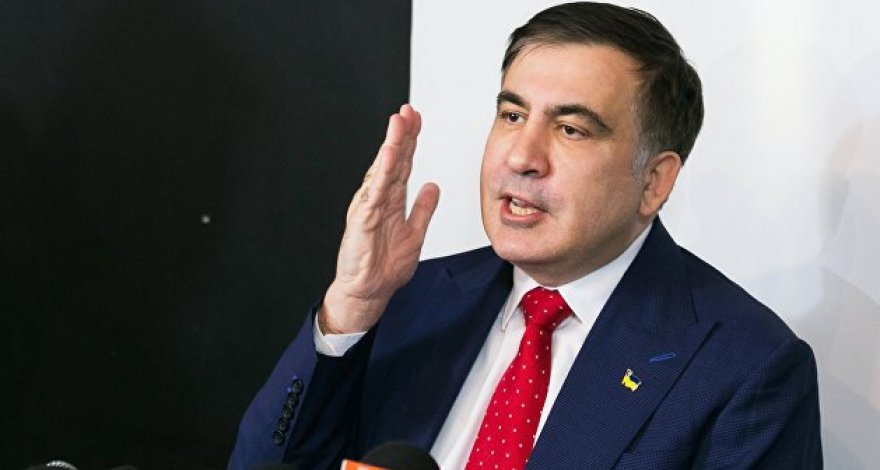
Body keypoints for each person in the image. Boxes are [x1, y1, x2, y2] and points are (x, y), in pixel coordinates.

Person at [229, 3, 822, 469]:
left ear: (654, 180)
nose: (521, 157)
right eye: (512, 116)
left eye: (571, 129)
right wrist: (350, 310)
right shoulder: (409, 299)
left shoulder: (744, 368)